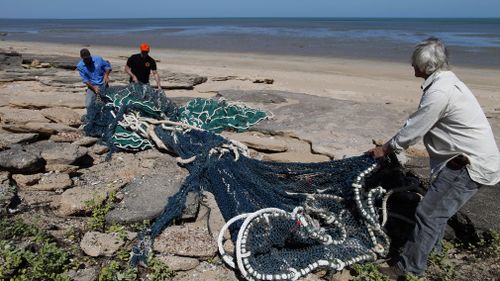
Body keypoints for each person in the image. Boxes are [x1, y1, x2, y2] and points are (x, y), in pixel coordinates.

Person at [367, 37, 500, 280]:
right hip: (469, 159)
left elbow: (414, 129)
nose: (412, 67)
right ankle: (433, 252)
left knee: (428, 213)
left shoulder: (440, 91)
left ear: (426, 67)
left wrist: (386, 148)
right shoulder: (446, 82)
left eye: (414, 63)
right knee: (437, 212)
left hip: (468, 164)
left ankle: (409, 269)